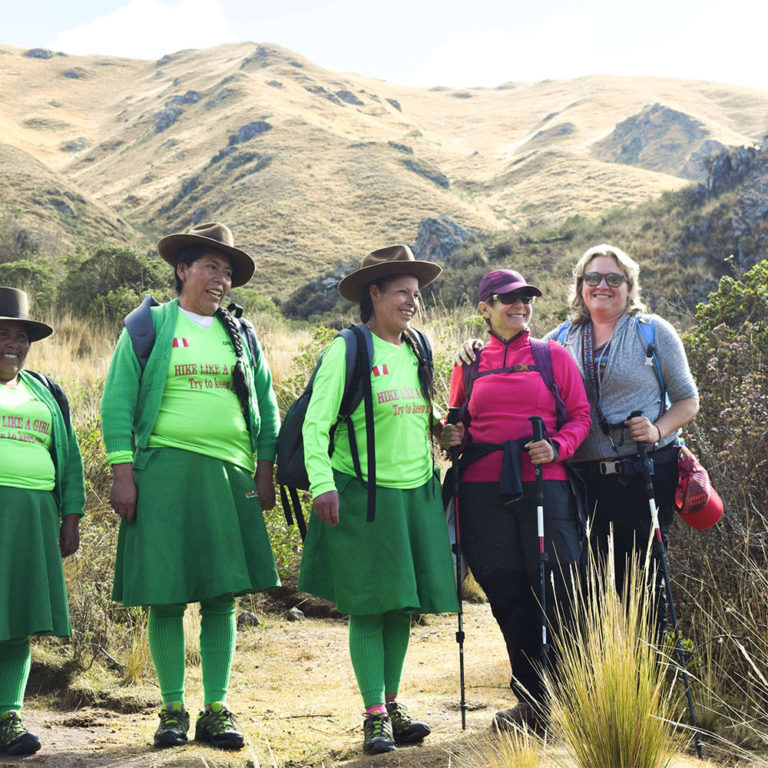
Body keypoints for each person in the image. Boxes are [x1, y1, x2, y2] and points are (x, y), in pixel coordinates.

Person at [101, 223, 280, 751]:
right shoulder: (149, 325)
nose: (220, 280)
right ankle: (172, 709)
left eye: (227, 272)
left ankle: (217, 709)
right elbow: (117, 401)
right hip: (163, 474)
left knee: (222, 596)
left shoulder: (241, 336)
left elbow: (266, 406)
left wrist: (264, 469)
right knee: (167, 596)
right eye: (210, 267)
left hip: (229, 474)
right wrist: (122, 471)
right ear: (182, 270)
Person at [297, 245, 459, 755]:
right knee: (370, 607)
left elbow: (417, 409)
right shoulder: (349, 349)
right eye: (402, 293)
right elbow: (315, 423)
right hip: (363, 495)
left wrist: (441, 431)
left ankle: (392, 702)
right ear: (375, 293)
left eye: (417, 294)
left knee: (401, 606)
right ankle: (373, 716)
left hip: (416, 492)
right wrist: (322, 484)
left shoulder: (418, 348)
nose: (413, 302)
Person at [440, 269, 591, 732]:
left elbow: (581, 416)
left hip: (547, 485)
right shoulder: (468, 363)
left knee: (559, 588)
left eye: (525, 298)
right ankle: (531, 700)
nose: (520, 306)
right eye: (508, 299)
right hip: (483, 492)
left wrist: (558, 447)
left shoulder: (553, 356)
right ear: (485, 308)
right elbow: (455, 426)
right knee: (505, 593)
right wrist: (449, 437)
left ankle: (574, 697)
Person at [541, 244, 699, 634]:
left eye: (614, 279)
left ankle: (648, 677)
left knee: (641, 585)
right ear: (580, 286)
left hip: (644, 474)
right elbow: (516, 361)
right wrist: (473, 352)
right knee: (585, 585)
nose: (602, 286)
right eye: (593, 278)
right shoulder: (557, 340)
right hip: (580, 481)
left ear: (630, 287)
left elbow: (687, 399)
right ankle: (598, 679)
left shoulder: (652, 331)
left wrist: (659, 429)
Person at [0, 287, 85, 756]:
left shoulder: (44, 391)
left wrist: (70, 515)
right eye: (2, 333)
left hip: (34, 515)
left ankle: (8, 717)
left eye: (21, 335)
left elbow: (69, 459)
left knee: (17, 616)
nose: (12, 343)